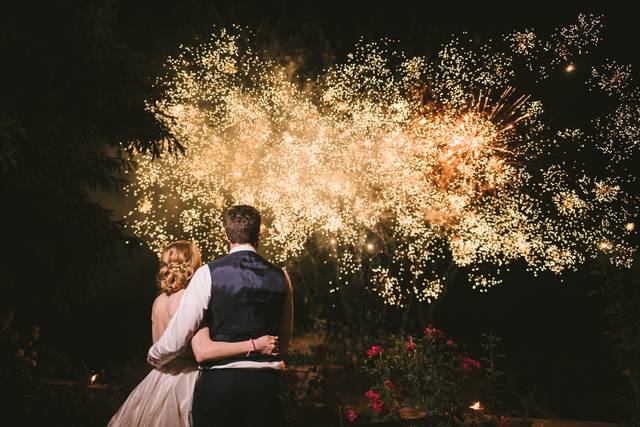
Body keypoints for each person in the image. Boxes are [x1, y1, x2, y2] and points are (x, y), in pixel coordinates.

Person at [148, 205, 294, 427]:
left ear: (226, 234)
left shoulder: (207, 273)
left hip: (220, 387)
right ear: (259, 234)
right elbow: (282, 342)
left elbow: (177, 338)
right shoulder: (282, 276)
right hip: (266, 387)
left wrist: (153, 356)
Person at [109, 240, 279, 427]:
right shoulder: (190, 299)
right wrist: (254, 344)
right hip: (187, 381)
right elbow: (201, 349)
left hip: (159, 379)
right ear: (192, 265)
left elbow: (158, 344)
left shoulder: (158, 301)